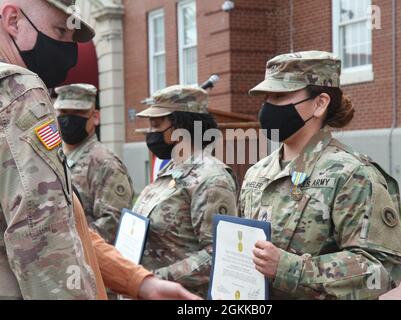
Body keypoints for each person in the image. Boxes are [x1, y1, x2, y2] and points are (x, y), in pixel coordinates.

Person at [0, 0, 200, 300]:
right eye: (59, 31)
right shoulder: (18, 91)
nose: (69, 52)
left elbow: (62, 225)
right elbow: (43, 237)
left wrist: (138, 281)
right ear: (13, 20)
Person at [239, 51, 401, 300]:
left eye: (280, 96)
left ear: (320, 103)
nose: (267, 107)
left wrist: (288, 268)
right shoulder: (257, 172)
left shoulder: (352, 174)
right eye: (266, 98)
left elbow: (382, 268)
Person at [134, 85, 238, 298]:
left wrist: (154, 278)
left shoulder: (211, 178)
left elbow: (218, 254)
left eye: (157, 124)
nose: (151, 132)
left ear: (182, 125)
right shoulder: (172, 168)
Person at [54, 83, 134, 244]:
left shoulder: (106, 164)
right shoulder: (54, 157)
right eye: (63, 112)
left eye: (78, 113)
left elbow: (113, 224)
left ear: (95, 117)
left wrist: (66, 243)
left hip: (86, 261)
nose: (69, 119)